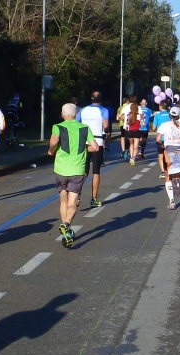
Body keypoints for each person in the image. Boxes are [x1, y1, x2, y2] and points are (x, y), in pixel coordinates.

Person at [47, 103, 99, 248]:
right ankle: (66, 225)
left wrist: (51, 150)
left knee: (63, 202)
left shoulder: (57, 127)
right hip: (77, 170)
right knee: (73, 203)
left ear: (62, 114)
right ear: (76, 114)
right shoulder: (84, 128)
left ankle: (66, 232)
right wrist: (84, 148)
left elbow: (54, 141)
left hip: (61, 170)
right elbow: (95, 147)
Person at [76, 91, 110, 208]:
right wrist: (107, 131)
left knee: (83, 171)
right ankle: (93, 199)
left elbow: (76, 123)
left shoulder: (83, 110)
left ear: (91, 99)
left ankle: (77, 196)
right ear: (101, 99)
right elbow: (105, 125)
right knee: (96, 171)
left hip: (84, 142)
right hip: (97, 142)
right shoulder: (104, 110)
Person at [156, 107, 180, 210]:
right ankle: (177, 187)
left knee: (168, 176)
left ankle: (172, 201)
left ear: (170, 115)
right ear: (179, 116)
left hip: (168, 151)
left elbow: (158, 139)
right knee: (178, 174)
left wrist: (163, 143)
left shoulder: (164, 125)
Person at [123, 95, 144, 166]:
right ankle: (133, 158)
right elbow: (143, 123)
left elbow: (126, 123)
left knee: (131, 144)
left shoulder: (129, 115)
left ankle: (131, 156)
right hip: (137, 131)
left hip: (130, 131)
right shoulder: (139, 114)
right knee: (136, 146)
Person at [152, 102, 172, 178]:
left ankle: (163, 172)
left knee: (160, 155)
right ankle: (170, 170)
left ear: (160, 107)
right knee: (169, 155)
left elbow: (153, 128)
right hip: (169, 138)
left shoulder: (157, 115)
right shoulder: (170, 115)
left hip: (160, 138)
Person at [117, 97, 130, 161]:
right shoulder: (129, 107)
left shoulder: (120, 108)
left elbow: (117, 118)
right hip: (128, 125)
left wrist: (121, 119)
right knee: (128, 138)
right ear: (127, 101)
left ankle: (123, 150)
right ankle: (127, 149)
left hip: (121, 124)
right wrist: (125, 120)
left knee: (122, 137)